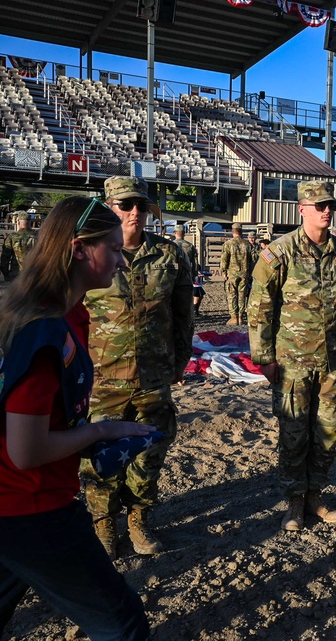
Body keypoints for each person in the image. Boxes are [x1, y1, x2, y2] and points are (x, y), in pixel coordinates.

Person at [0, 197, 153, 639]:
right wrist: (103, 431)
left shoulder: (52, 313)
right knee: (123, 625)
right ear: (79, 249)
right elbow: (26, 451)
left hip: (13, 502)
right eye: (114, 248)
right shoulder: (43, 330)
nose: (122, 262)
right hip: (31, 506)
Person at [81, 177, 193, 557]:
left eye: (141, 206)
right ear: (108, 207)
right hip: (102, 378)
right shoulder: (88, 254)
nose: (134, 213)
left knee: (149, 453)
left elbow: (183, 316)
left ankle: (139, 519)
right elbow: (72, 314)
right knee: (101, 456)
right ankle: (104, 525)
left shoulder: (171, 255)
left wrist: (179, 361)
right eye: (125, 205)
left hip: (153, 376)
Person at [248, 180, 336, 531]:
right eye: (319, 206)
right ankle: (295, 502)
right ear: (302, 209)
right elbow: (260, 307)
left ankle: (316, 496)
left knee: (327, 433)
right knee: (294, 434)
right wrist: (264, 357)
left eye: (330, 205)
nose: (327, 210)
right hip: (292, 363)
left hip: (332, 362)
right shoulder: (279, 253)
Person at [220, 222, 254, 325]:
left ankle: (234, 317)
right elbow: (252, 260)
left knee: (232, 295)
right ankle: (240, 317)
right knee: (242, 295)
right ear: (241, 231)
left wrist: (223, 271)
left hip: (232, 274)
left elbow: (224, 259)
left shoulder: (228, 244)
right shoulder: (247, 244)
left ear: (232, 231)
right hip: (245, 273)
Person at [0, 210, 36, 281]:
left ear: (18, 222)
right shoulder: (40, 236)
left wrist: (6, 275)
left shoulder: (12, 237)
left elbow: (5, 259)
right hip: (35, 275)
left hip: (16, 276)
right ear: (30, 222)